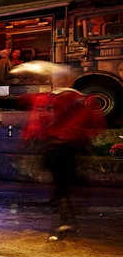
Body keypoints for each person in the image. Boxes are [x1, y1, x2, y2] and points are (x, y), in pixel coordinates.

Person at [38, 91, 105, 241]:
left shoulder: (56, 100)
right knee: (64, 187)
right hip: (70, 148)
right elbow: (98, 126)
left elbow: (45, 125)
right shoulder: (85, 102)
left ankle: (62, 224)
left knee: (61, 188)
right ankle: (66, 223)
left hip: (58, 148)